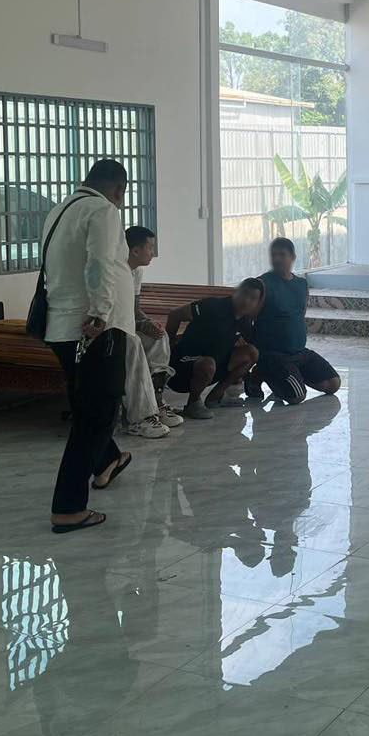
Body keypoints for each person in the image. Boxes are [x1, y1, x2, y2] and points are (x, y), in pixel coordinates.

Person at [42, 159, 138, 534]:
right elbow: (98, 265)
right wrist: (99, 315)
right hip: (96, 330)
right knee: (96, 416)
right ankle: (68, 507)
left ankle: (107, 460)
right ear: (119, 190)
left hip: (62, 327)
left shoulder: (60, 210)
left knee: (88, 406)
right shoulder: (103, 211)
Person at [245, 237, 341, 405]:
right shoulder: (262, 284)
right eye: (274, 255)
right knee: (297, 396)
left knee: (333, 384)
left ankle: (287, 375)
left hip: (299, 352)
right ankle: (260, 373)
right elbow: (247, 318)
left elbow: (299, 315)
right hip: (274, 355)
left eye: (282, 255)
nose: (277, 259)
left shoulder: (301, 284)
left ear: (293, 257)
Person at [164, 279, 263, 420]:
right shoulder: (213, 305)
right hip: (182, 368)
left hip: (212, 367)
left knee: (252, 353)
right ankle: (193, 403)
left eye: (253, 298)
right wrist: (168, 347)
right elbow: (175, 314)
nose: (247, 301)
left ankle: (215, 396)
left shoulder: (245, 321)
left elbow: (254, 347)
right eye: (244, 294)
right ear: (236, 292)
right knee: (208, 363)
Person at [126, 225, 182, 430]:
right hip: (112, 328)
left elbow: (134, 309)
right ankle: (140, 416)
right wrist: (141, 324)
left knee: (160, 336)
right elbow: (113, 314)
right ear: (135, 250)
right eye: (150, 247)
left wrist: (148, 322)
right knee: (133, 343)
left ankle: (157, 400)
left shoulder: (137, 271)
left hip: (128, 324)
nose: (153, 253)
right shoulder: (116, 271)